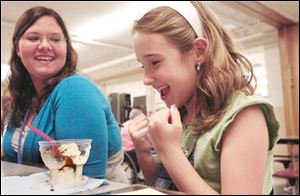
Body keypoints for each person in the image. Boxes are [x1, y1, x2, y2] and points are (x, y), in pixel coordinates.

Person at [129, 1, 279, 194]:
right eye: (143, 66)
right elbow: (163, 185)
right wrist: (143, 152)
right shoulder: (179, 118)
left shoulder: (244, 116)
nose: (146, 79)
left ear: (198, 52)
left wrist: (170, 151)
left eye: (155, 62)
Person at [1, 6, 127, 183]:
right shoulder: (22, 99)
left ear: (66, 46)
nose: (45, 45)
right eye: (33, 38)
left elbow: (84, 184)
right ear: (17, 46)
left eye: (55, 39)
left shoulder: (74, 90)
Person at [120, 107, 144, 172]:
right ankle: (141, 173)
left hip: (123, 153)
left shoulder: (123, 124)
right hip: (131, 153)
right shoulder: (137, 126)